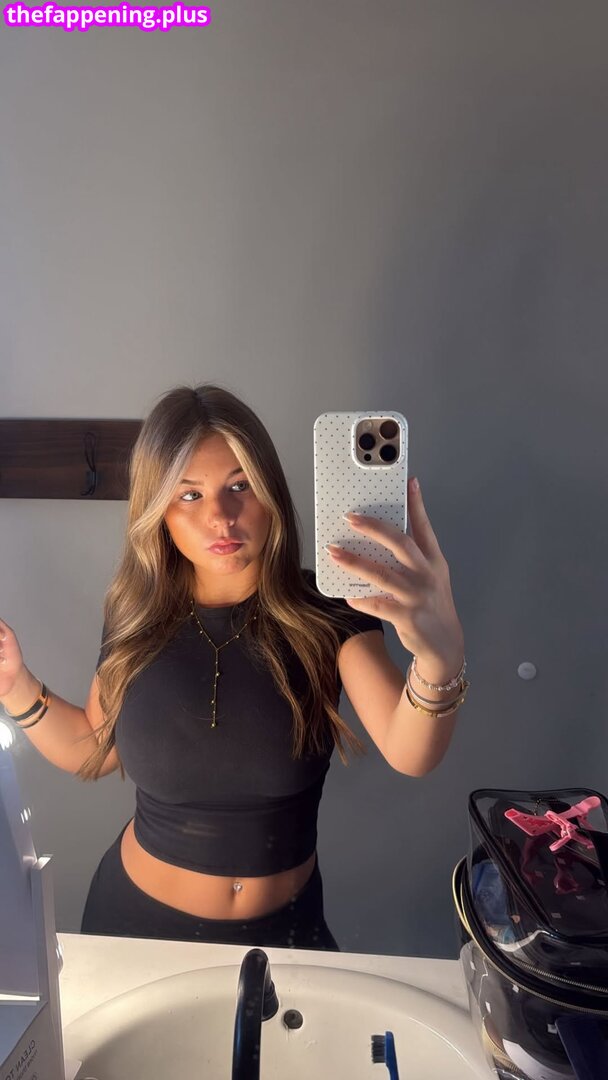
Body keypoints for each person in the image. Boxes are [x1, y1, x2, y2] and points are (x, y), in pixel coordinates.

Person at [0, 384, 468, 950]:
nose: (219, 517)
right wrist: (15, 686)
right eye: (189, 495)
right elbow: (92, 749)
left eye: (239, 486)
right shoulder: (136, 613)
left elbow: (411, 752)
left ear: (271, 493)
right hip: (134, 931)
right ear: (158, 511)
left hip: (285, 937)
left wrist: (439, 656)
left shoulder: (329, 612)